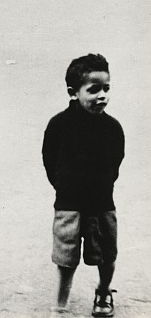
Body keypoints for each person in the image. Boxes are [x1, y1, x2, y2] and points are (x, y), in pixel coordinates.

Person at [42, 54, 124, 317]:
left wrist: (102, 185)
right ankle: (59, 307)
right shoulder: (59, 125)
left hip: (102, 202)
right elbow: (49, 158)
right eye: (93, 90)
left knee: (107, 254)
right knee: (65, 259)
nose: (102, 96)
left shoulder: (112, 128)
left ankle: (103, 291)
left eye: (106, 88)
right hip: (68, 203)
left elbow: (116, 161)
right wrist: (64, 187)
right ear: (73, 92)